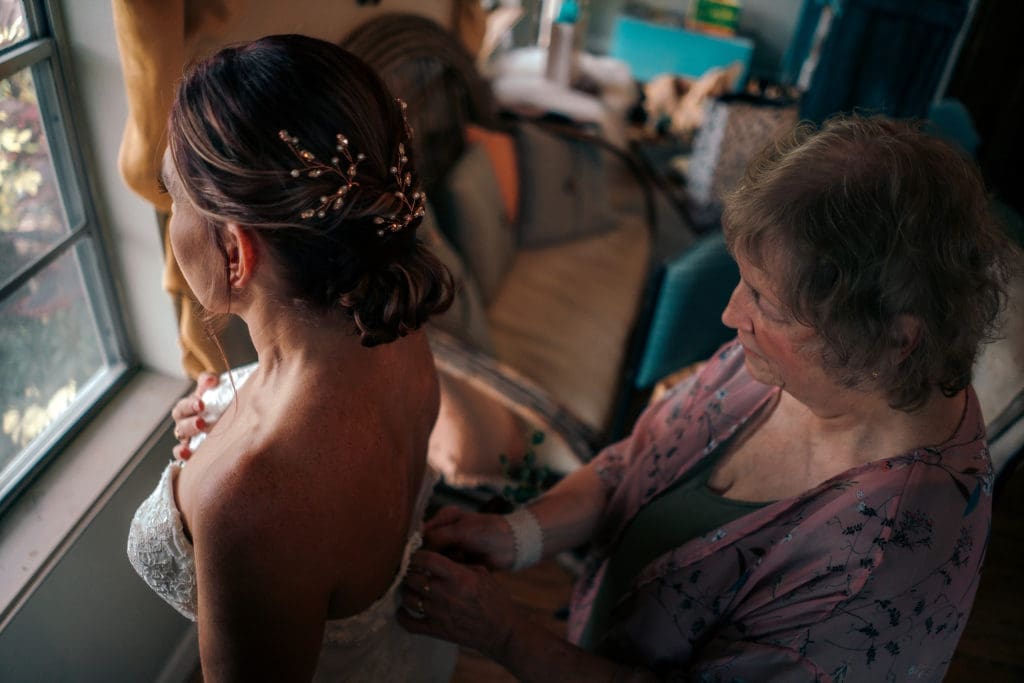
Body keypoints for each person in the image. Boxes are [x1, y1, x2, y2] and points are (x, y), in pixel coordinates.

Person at [397, 115, 1014, 682]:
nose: (729, 315)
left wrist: (502, 632)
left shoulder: (882, 560)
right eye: (743, 283)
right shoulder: (798, 363)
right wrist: (520, 536)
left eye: (766, 304)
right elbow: (640, 461)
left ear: (893, 338)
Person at [126, 35, 459, 681]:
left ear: (236, 250)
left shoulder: (251, 502)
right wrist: (231, 417)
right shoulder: (391, 326)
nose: (170, 226)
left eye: (173, 201)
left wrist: (223, 467)